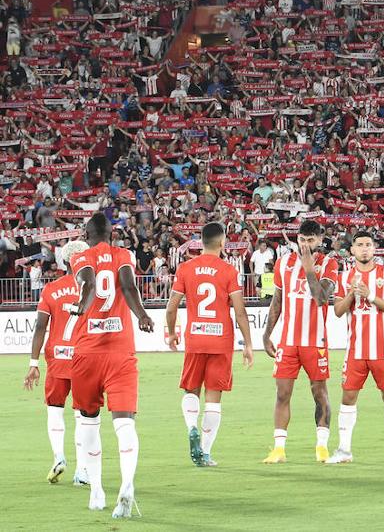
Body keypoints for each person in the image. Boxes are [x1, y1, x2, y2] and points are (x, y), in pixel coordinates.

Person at [68, 213, 155, 517]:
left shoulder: (80, 257)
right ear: (111, 234)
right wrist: (142, 315)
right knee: (124, 423)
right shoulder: (123, 255)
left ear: (86, 234)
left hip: (87, 353)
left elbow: (90, 285)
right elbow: (129, 288)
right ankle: (127, 485)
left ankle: (96, 491)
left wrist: (82, 305)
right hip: (120, 351)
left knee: (89, 420)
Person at [164, 221, 255, 467]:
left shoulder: (186, 269)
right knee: (213, 398)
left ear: (200, 242)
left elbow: (171, 307)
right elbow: (240, 311)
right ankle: (204, 452)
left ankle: (191, 426)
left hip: (195, 338)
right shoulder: (228, 271)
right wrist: (248, 344)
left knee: (190, 389)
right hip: (221, 341)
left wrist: (172, 333)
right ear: (223, 242)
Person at [261, 218, 340, 464]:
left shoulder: (329, 263)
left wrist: (308, 269)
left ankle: (322, 446)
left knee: (319, 392)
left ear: (319, 239)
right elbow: (277, 301)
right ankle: (279, 449)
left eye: (310, 240)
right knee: (282, 393)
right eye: (302, 240)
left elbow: (321, 299)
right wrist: (266, 334)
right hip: (288, 341)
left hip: (315, 341)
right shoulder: (283, 263)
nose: (305, 245)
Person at [326, 230, 384, 464]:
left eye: (368, 244)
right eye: (359, 245)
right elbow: (338, 311)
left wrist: (369, 296)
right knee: (348, 397)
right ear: (352, 251)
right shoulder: (344, 277)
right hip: (355, 349)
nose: (364, 249)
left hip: (382, 348)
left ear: (374, 249)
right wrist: (351, 294)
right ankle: (344, 450)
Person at [23, 239, 90, 486]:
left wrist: (33, 363)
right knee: (83, 417)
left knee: (55, 410)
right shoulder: (93, 289)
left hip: (58, 359)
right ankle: (83, 470)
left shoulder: (51, 290)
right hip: (85, 358)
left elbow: (40, 327)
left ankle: (59, 456)